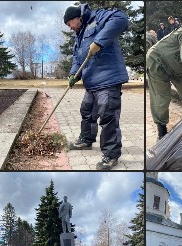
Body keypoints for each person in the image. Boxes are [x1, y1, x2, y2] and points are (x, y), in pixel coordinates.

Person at [64, 3, 129, 170]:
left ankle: (111, 155)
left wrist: (99, 41)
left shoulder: (97, 16)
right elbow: (77, 59)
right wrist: (73, 75)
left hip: (108, 79)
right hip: (91, 83)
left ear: (76, 18)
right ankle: (86, 140)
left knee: (107, 116)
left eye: (69, 24)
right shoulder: (78, 36)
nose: (70, 28)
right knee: (87, 111)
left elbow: (121, 19)